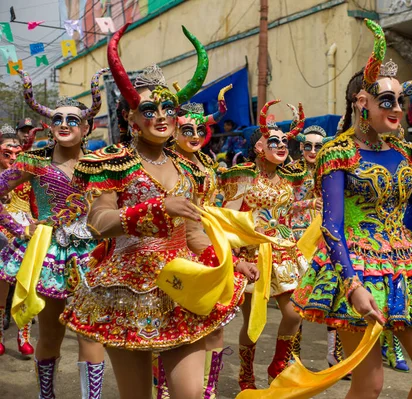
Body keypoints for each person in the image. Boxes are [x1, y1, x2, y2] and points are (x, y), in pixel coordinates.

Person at [60, 24, 245, 398]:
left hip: (182, 286)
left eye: (169, 109)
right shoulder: (112, 163)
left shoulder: (191, 169)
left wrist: (229, 261)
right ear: (130, 117)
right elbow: (99, 223)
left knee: (189, 393)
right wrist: (156, 207)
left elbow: (194, 234)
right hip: (126, 292)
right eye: (149, 109)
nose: (161, 116)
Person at [292, 20, 412, 399]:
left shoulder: (404, 152)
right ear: (361, 103)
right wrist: (352, 285)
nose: (399, 109)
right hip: (355, 268)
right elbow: (331, 226)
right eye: (387, 101)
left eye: (401, 101)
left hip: (403, 267)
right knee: (370, 383)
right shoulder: (338, 153)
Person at [0, 67, 107, 398]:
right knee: (50, 334)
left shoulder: (101, 164)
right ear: (49, 125)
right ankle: (47, 396)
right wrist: (18, 227)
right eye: (58, 118)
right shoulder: (35, 163)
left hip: (92, 255)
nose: (63, 124)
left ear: (86, 127)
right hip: (49, 255)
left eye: (72, 120)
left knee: (90, 334)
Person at [220, 100, 313, 389]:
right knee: (253, 323)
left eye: (285, 140)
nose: (282, 145)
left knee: (294, 312)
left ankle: (278, 363)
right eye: (273, 140)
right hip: (254, 254)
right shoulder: (245, 177)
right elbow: (228, 217)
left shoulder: (288, 177)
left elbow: (287, 211)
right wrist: (235, 255)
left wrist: (309, 205)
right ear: (259, 148)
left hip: (285, 251)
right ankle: (246, 374)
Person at [169, 93, 256, 399]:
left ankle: (209, 389)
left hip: (209, 245)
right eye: (186, 130)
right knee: (175, 328)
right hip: (177, 251)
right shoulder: (169, 166)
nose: (194, 136)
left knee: (216, 324)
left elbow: (214, 210)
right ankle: (168, 388)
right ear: (174, 131)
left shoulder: (207, 164)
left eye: (198, 130)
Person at [0, 125, 34, 357]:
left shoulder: (27, 177)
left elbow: (35, 205)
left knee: (26, 284)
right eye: (6, 154)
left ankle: (24, 337)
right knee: (1, 287)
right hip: (3, 235)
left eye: (17, 154)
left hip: (26, 233)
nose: (13, 158)